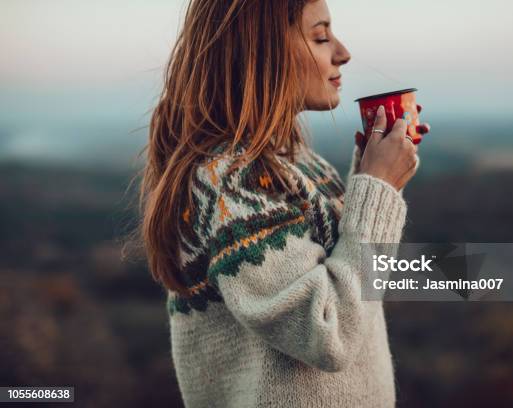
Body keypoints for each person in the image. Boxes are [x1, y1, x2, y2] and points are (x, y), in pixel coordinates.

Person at [137, 0, 430, 406]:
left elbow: (345, 279)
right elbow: (328, 332)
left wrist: (370, 179)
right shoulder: (228, 181)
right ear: (261, 50)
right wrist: (377, 191)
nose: (342, 53)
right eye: (321, 36)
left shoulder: (296, 164)